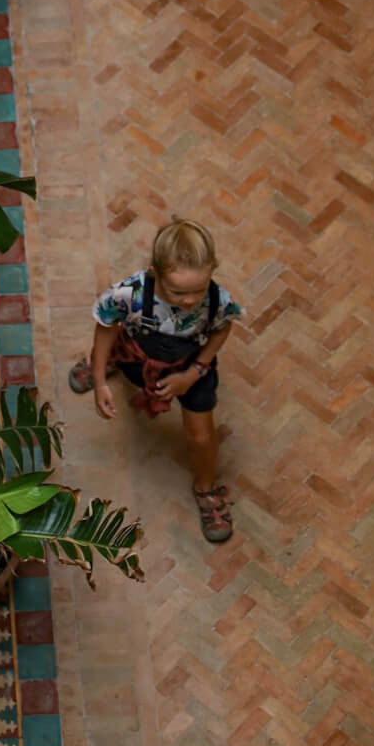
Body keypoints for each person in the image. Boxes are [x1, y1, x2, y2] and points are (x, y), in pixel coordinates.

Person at [69, 218, 244, 543]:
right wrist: (99, 378)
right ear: (154, 273)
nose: (190, 301)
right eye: (178, 292)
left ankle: (207, 490)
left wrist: (193, 374)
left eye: (198, 291)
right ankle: (109, 369)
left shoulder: (217, 300)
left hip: (191, 367)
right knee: (113, 355)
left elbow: (223, 328)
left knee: (203, 437)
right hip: (136, 355)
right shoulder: (129, 294)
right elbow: (106, 327)